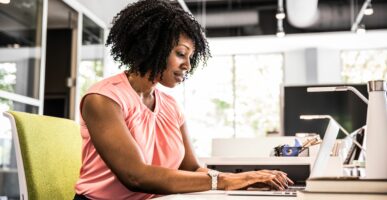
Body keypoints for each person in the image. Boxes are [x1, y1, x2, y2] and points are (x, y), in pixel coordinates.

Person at [74, 0, 293, 199]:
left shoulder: (170, 106)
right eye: (181, 54)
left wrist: (244, 180)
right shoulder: (103, 99)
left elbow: (191, 168)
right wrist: (226, 180)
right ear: (152, 47)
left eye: (190, 58)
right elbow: (135, 176)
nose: (187, 65)